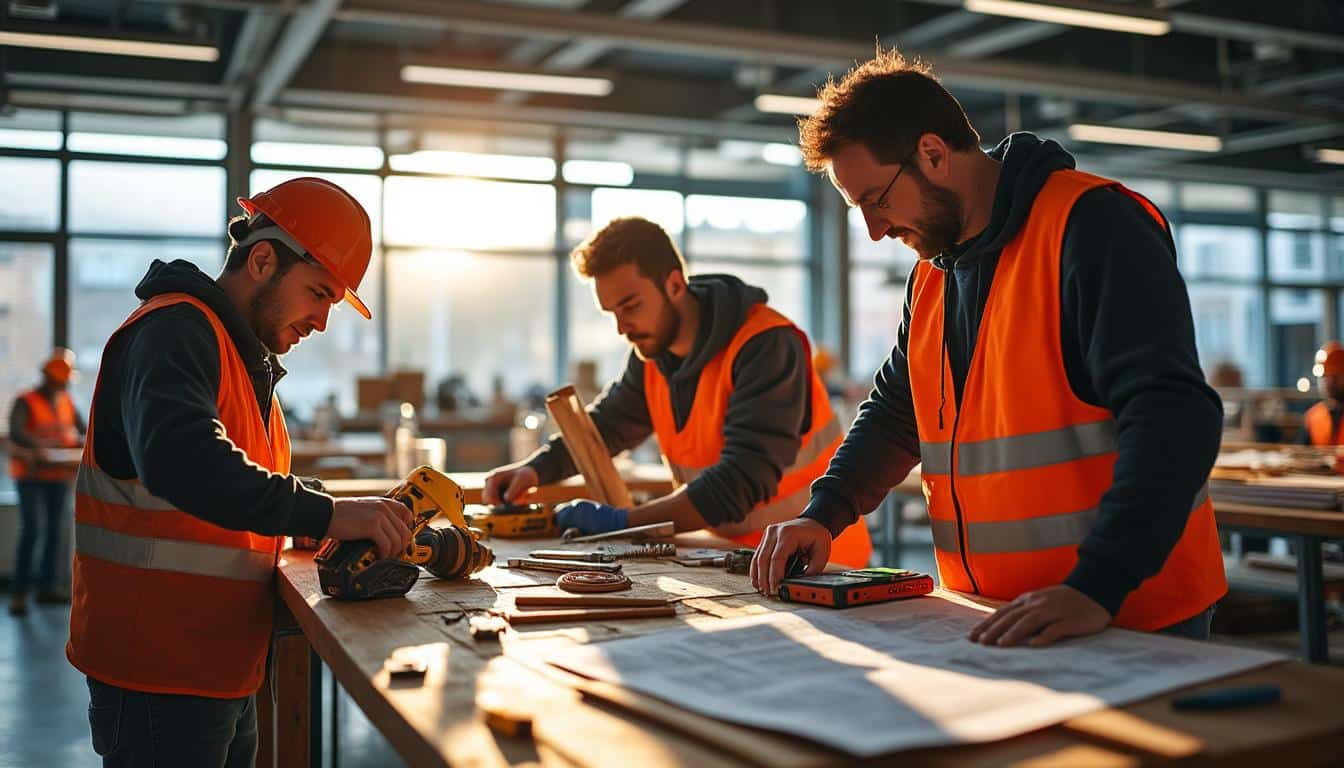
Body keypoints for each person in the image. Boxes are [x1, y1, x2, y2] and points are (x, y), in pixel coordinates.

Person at [751, 49, 1227, 646]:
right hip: (996, 616)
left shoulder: (1092, 226)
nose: (875, 229)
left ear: (932, 154)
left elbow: (1174, 420)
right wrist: (824, 513)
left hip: (1124, 613)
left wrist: (1097, 585)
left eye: (877, 199)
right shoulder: (933, 275)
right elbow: (898, 415)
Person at [67, 177, 415, 767]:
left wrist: (305, 520)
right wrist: (326, 510)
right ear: (262, 259)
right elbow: (182, 461)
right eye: (319, 293)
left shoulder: (243, 361)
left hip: (217, 665)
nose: (322, 321)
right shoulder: (173, 331)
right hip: (158, 671)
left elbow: (236, 492)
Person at [483, 217, 872, 567]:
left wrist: (625, 523)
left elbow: (739, 481)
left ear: (673, 284)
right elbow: (607, 427)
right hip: (723, 557)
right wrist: (535, 468)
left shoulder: (765, 345)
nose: (623, 327)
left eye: (631, 305)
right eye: (612, 313)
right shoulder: (652, 355)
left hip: (818, 562)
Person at [7, 348, 85, 616]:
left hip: (58, 476)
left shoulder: (66, 402)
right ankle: (19, 593)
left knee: (56, 533)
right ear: (47, 378)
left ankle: (48, 589)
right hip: (30, 476)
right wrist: (38, 445)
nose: (61, 386)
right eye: (57, 381)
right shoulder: (25, 401)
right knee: (32, 531)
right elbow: (17, 433)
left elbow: (83, 431)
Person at [1302, 342, 1344, 445]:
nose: (1328, 382)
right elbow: (1301, 454)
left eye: (1334, 377)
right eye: (1325, 377)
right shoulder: (1313, 416)